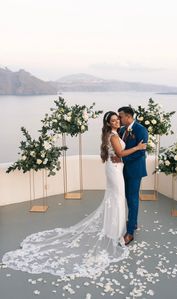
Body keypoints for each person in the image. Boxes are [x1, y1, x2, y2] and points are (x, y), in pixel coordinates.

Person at [1, 111, 146, 279]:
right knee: (118, 198)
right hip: (115, 170)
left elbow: (118, 153)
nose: (117, 121)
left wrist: (122, 156)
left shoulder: (118, 132)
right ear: (108, 124)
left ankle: (116, 228)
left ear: (126, 117)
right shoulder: (114, 134)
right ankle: (116, 230)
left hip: (116, 169)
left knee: (116, 198)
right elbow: (120, 153)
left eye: (118, 119)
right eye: (114, 120)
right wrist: (137, 147)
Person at [111, 107, 148, 245]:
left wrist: (122, 159)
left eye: (120, 117)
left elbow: (140, 153)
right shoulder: (121, 130)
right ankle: (133, 221)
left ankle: (130, 232)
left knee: (132, 199)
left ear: (128, 116)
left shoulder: (140, 130)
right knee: (126, 196)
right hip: (122, 170)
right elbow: (119, 149)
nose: (118, 119)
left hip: (135, 170)